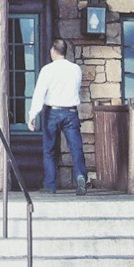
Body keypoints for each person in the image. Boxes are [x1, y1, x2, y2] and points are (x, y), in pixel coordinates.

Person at [27, 38, 88, 195]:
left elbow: (40, 93)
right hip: (71, 112)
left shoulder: (47, 70)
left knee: (49, 150)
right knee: (76, 149)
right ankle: (80, 177)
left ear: (53, 51)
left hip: (52, 112)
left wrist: (33, 114)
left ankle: (51, 185)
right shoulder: (76, 69)